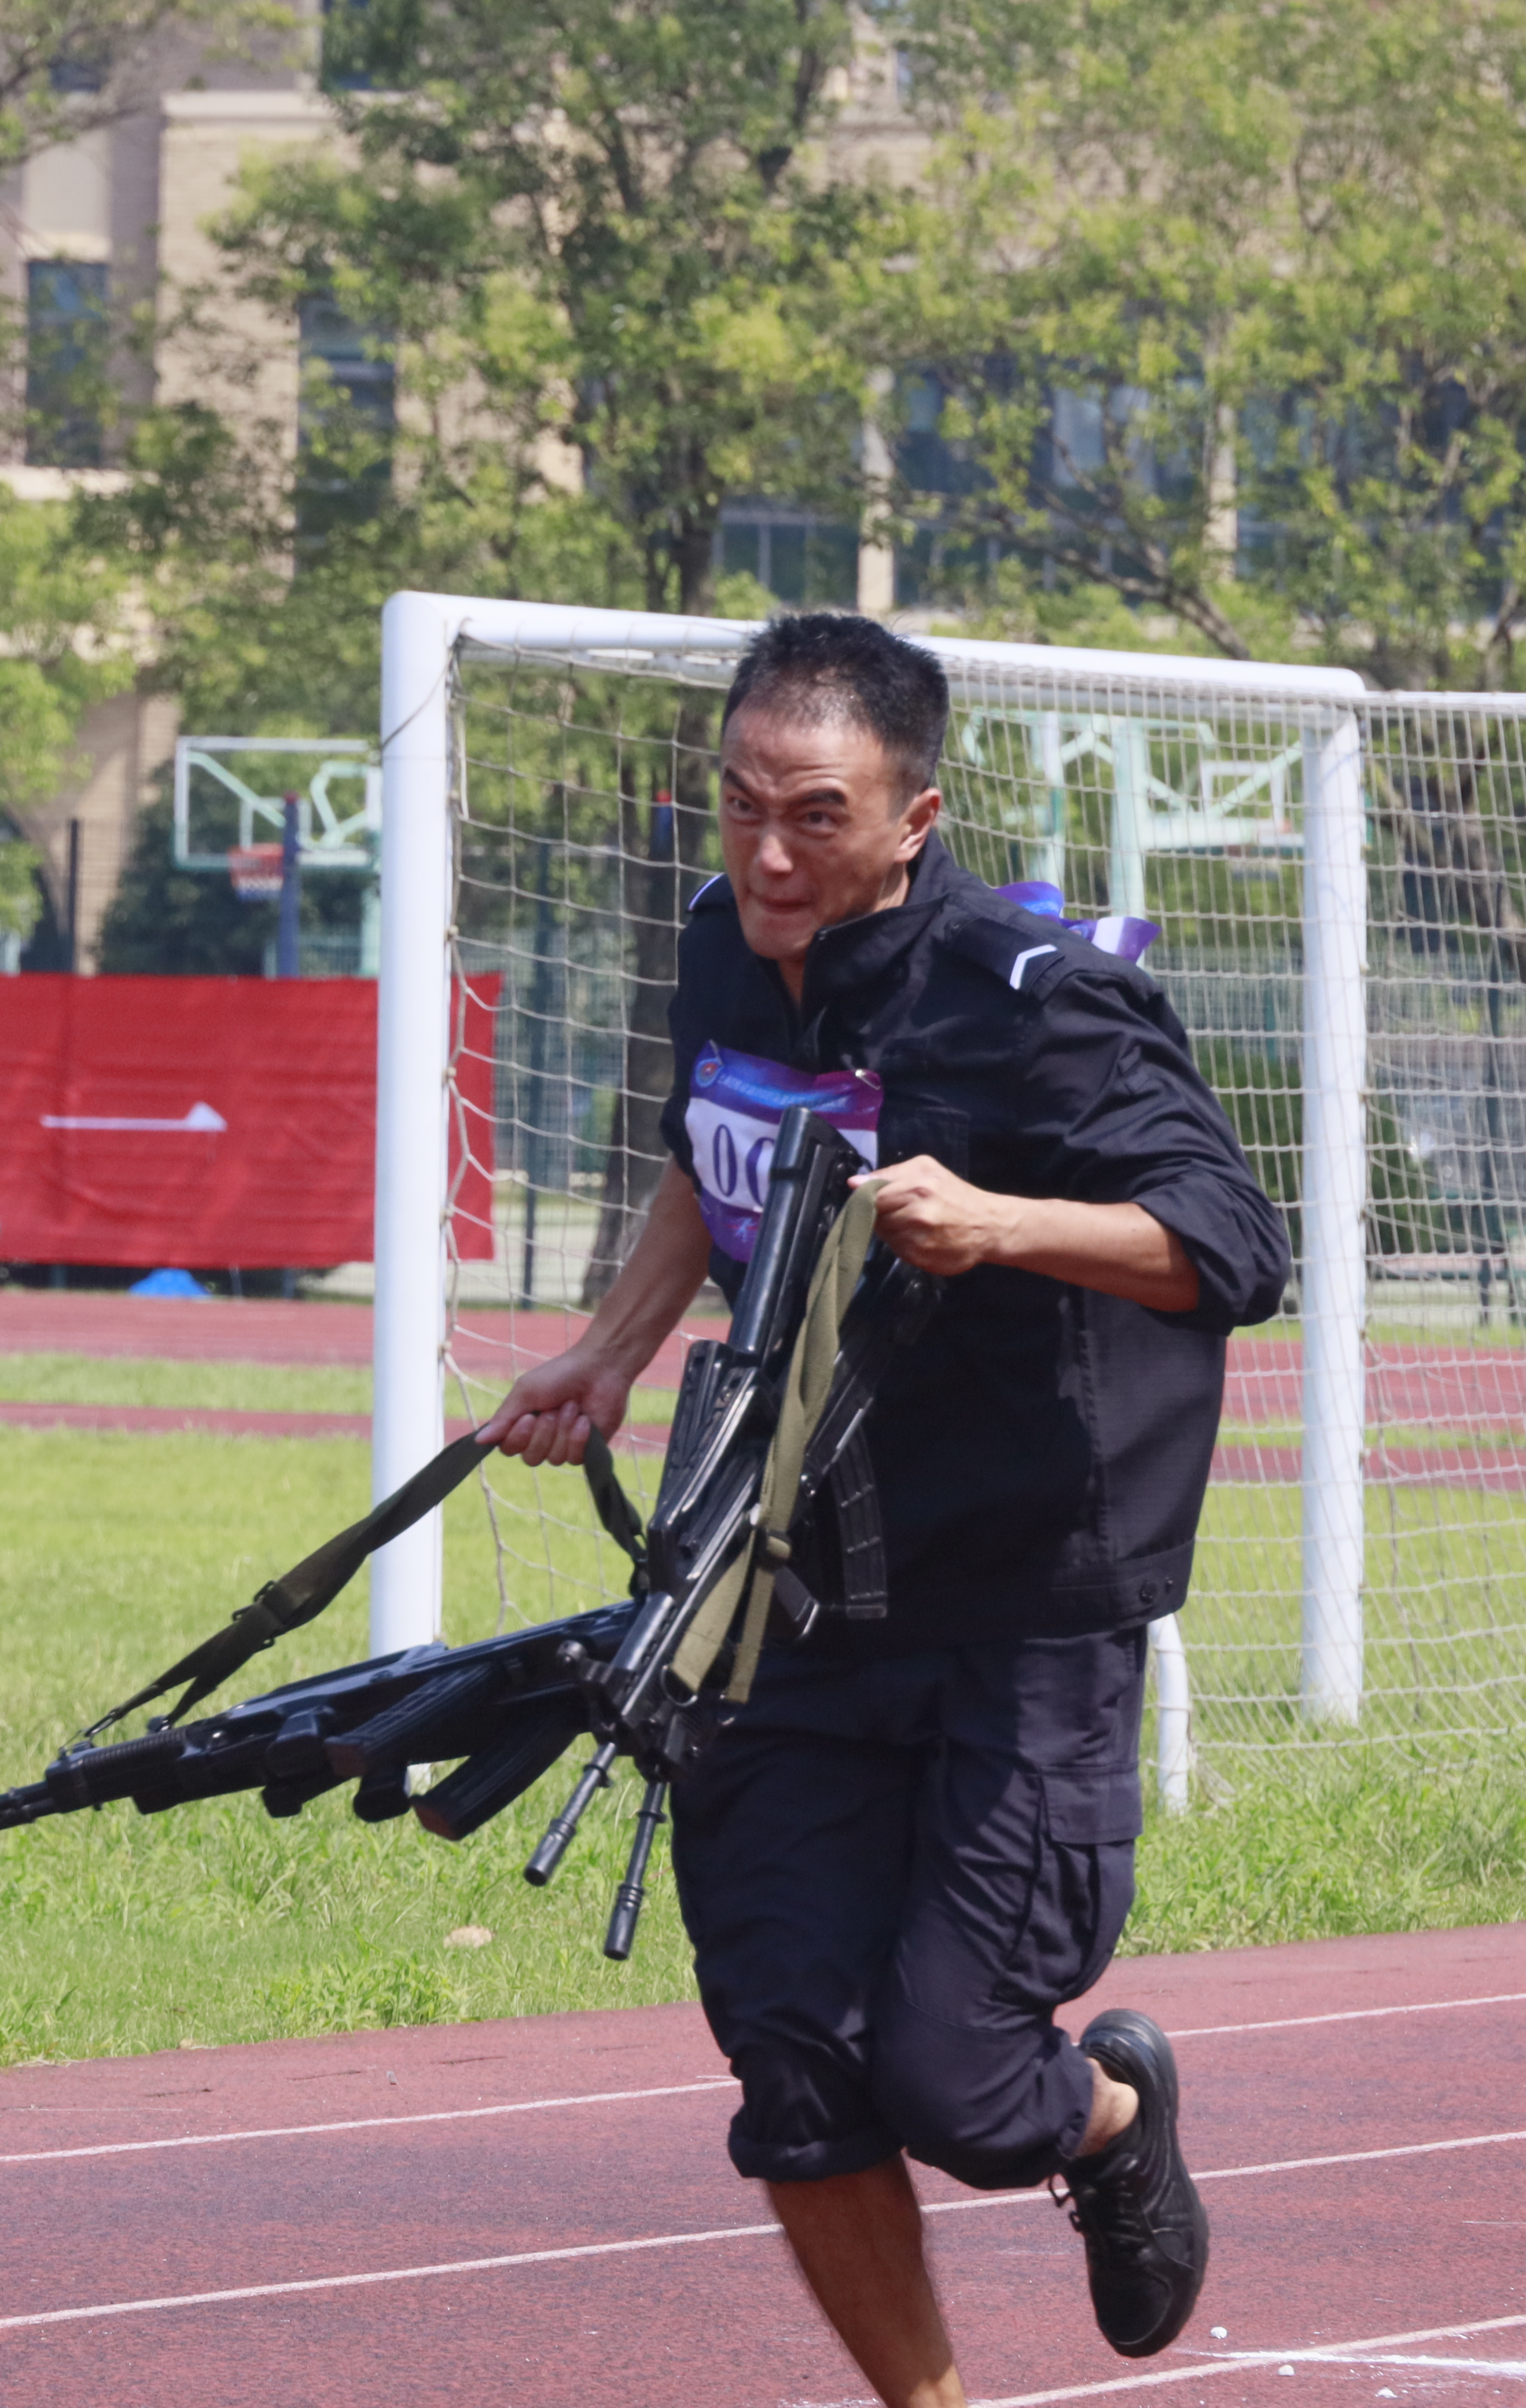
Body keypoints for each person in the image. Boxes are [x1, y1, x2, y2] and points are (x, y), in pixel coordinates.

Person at [481, 614, 1286, 2406]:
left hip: (1020, 1595)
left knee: (952, 2080)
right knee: (794, 2066)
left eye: (818, 816)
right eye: (743, 804)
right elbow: (719, 1144)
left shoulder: (1035, 990)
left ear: (914, 817)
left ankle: (1108, 2117)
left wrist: (1008, 1222)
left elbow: (1234, 1244)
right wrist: (606, 1352)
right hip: (781, 1587)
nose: (770, 854)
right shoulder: (722, 943)